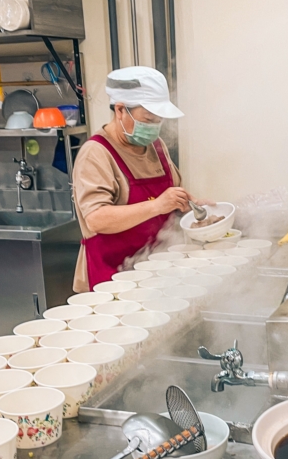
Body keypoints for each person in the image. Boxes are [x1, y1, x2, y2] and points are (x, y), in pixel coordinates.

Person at [71, 66, 208, 291]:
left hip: (158, 270)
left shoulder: (156, 146)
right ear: (120, 110)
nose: (153, 127)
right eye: (147, 119)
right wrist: (156, 205)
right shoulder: (96, 153)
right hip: (113, 277)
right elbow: (96, 219)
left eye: (157, 120)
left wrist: (188, 206)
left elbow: (167, 199)